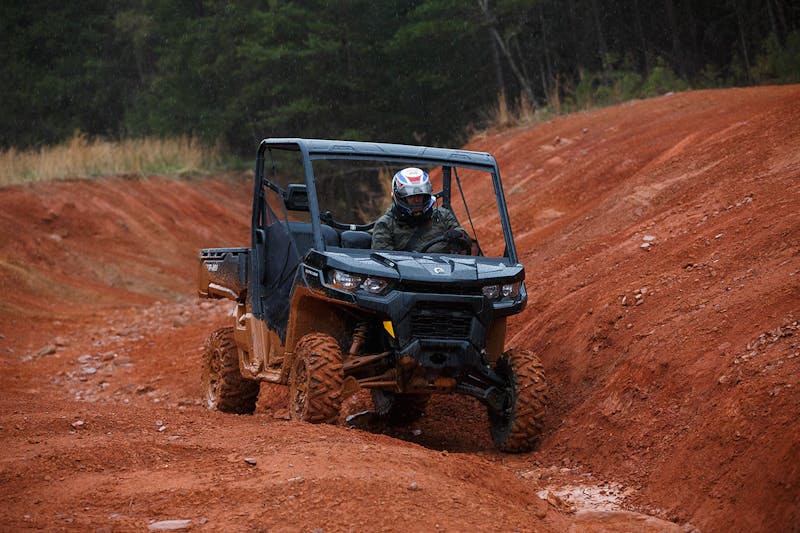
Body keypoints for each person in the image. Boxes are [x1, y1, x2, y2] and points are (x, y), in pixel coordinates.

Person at [371, 167, 471, 253]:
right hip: (407, 273)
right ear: (400, 197)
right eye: (411, 196)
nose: (417, 200)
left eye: (421, 196)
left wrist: (458, 235)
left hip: (444, 271)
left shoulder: (442, 215)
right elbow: (382, 262)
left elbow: (465, 238)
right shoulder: (385, 224)